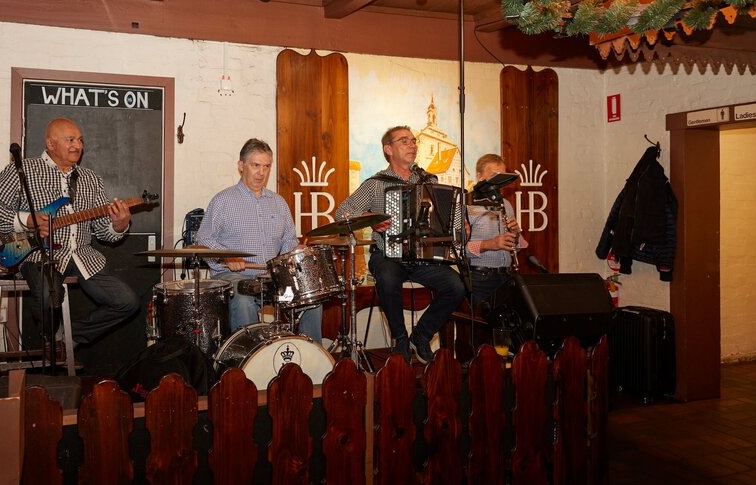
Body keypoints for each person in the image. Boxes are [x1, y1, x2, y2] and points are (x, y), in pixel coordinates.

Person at [0, 118, 140, 351]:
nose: (77, 146)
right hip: (38, 254)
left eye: (80, 140)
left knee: (126, 302)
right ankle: (50, 335)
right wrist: (27, 220)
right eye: (70, 140)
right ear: (50, 144)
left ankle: (67, 338)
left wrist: (119, 225)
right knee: (46, 298)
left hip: (82, 255)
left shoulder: (91, 180)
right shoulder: (22, 171)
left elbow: (104, 233)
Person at [335, 125, 466, 363]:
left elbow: (448, 213)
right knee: (387, 277)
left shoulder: (428, 180)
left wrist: (458, 224)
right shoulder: (376, 184)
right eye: (404, 141)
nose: (412, 145)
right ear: (388, 149)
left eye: (413, 141)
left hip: (423, 256)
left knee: (456, 286)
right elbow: (342, 211)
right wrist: (370, 219)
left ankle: (422, 334)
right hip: (387, 254)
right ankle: (400, 338)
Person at [195, 138, 323, 342]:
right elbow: (203, 238)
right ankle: (250, 359)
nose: (261, 173)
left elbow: (288, 240)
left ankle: (311, 357)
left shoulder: (278, 203)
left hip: (273, 281)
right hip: (234, 278)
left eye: (266, 166)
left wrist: (298, 249)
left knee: (309, 299)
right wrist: (226, 258)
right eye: (255, 165)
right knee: (244, 300)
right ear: (241, 165)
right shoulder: (223, 200)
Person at [465, 153, 527, 308]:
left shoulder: (506, 204)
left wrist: (516, 235)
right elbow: (457, 250)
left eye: (503, 177)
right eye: (494, 176)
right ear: (479, 176)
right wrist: (491, 244)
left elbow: (516, 248)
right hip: (479, 278)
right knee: (482, 329)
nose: (500, 182)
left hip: (506, 276)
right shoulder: (466, 204)